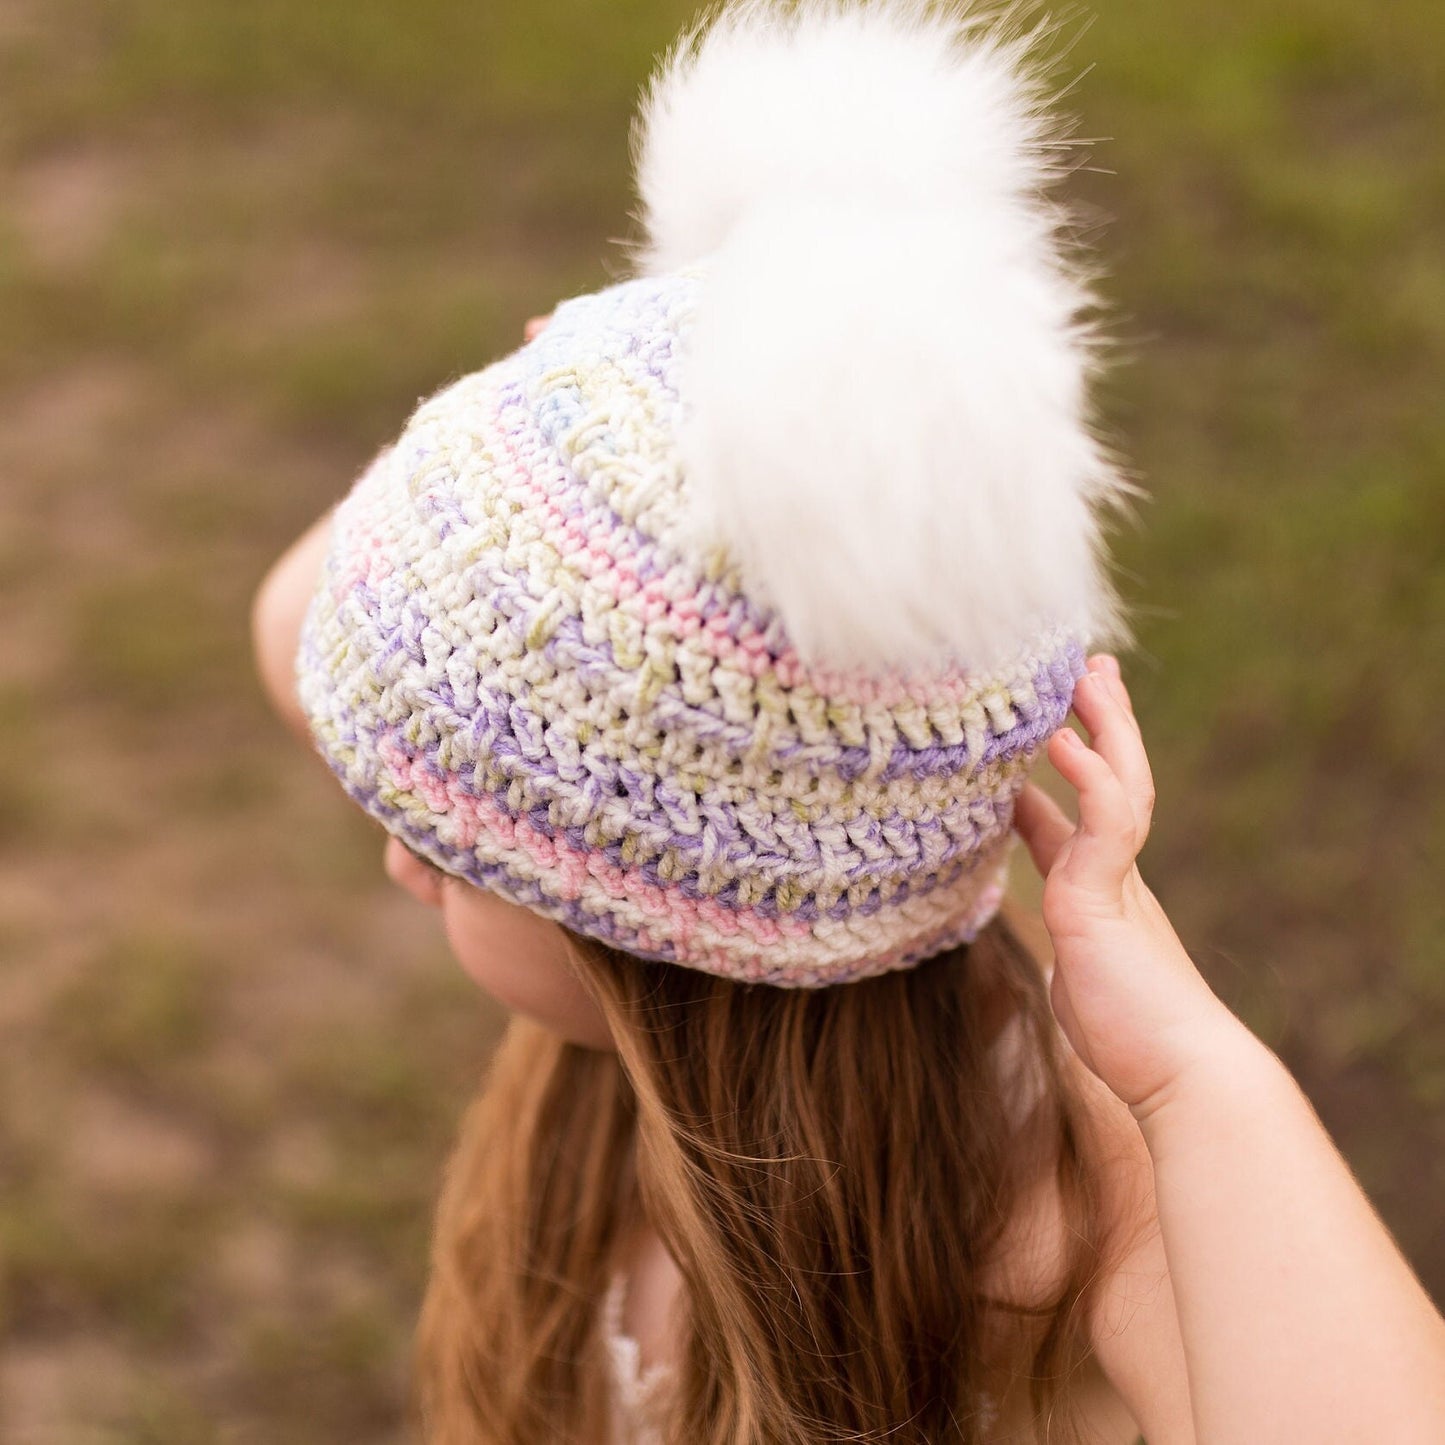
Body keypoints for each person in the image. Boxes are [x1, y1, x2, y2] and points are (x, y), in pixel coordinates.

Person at [250, 2, 1445, 1441]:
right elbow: (300, 630)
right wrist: (576, 404)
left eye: (451, 845)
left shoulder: (1059, 1207)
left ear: (669, 921)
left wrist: (1192, 1074)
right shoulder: (652, 1023)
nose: (399, 862)